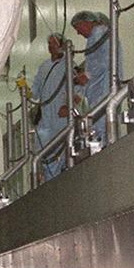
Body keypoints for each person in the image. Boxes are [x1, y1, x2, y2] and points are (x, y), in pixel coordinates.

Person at [31, 35, 86, 180]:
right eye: (48, 44)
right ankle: (48, 182)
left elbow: (79, 90)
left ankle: (62, 180)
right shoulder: (44, 67)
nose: (50, 47)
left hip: (61, 117)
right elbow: (34, 93)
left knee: (61, 152)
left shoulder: (69, 65)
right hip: (45, 119)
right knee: (43, 152)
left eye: (53, 44)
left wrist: (69, 106)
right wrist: (25, 90)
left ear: (61, 45)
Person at [70, 10, 118, 139]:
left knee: (102, 128)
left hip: (104, 90)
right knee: (101, 127)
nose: (78, 32)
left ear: (86, 22)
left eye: (77, 27)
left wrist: (88, 75)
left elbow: (107, 59)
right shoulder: (97, 36)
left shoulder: (99, 33)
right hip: (100, 91)